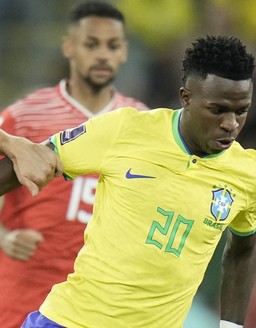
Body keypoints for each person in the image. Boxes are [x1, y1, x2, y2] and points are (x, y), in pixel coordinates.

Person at [0, 35, 256, 328]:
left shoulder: (249, 174)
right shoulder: (125, 130)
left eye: (241, 111)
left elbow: (243, 249)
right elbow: (31, 163)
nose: (231, 124)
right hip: (71, 321)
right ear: (186, 97)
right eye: (218, 110)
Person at [0, 2, 148, 326]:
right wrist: (3, 237)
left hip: (95, 305)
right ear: (69, 46)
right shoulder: (25, 116)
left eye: (112, 46)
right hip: (24, 294)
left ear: (124, 52)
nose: (102, 55)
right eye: (91, 44)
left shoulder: (141, 123)